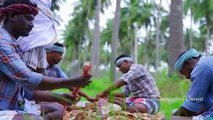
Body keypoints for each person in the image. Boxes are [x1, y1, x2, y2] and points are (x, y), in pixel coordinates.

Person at [0, 0, 91, 119]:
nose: (32, 24)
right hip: (3, 109)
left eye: (33, 20)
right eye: (28, 19)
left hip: (15, 107)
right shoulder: (2, 43)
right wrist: (73, 82)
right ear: (12, 16)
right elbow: (29, 79)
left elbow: (26, 91)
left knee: (59, 111)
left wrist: (59, 97)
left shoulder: (15, 46)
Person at [96, 54, 160, 114]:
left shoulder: (137, 68)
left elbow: (122, 81)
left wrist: (104, 92)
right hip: (136, 100)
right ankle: (110, 100)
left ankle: (126, 107)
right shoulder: (128, 76)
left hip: (151, 100)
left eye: (119, 66)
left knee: (133, 108)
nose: (119, 69)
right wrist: (108, 94)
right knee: (115, 101)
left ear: (126, 62)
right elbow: (124, 94)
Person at [17, 0, 58, 73]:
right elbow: (27, 76)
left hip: (41, 32)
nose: (61, 57)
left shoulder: (42, 40)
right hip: (33, 36)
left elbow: (40, 72)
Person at [173, 48, 213, 117]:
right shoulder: (209, 61)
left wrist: (172, 117)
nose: (187, 77)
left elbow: (192, 103)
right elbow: (203, 104)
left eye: (183, 73)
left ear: (188, 63)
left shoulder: (201, 68)